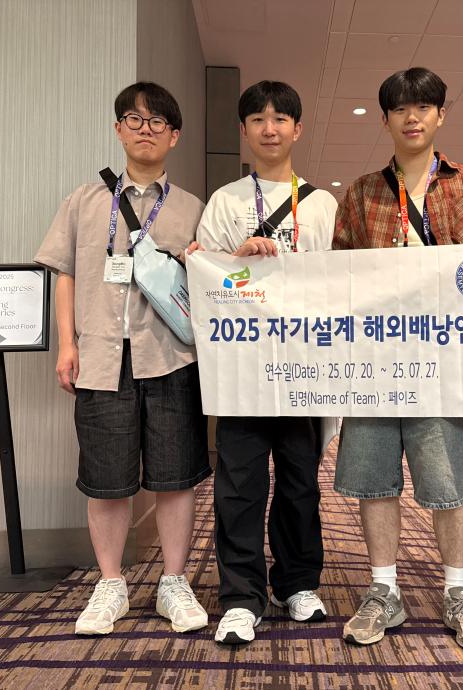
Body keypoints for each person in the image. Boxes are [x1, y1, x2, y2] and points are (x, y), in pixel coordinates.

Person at [332, 67, 463, 651]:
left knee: (449, 480)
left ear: (440, 115)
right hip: (375, 362)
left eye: (424, 107)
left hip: (443, 362)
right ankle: (384, 590)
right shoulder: (361, 193)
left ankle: (458, 591)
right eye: (400, 109)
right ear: (385, 119)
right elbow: (338, 275)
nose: (412, 117)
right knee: (375, 480)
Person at [34, 82, 210, 637]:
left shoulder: (191, 208)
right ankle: (110, 584)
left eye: (158, 122)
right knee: (106, 479)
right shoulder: (84, 201)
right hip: (101, 357)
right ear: (118, 129)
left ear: (174, 136)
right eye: (134, 119)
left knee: (175, 476)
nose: (145, 129)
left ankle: (174, 582)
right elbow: (65, 274)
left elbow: (211, 284)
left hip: (172, 358)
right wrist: (67, 344)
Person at [196, 80, 337, 645]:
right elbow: (208, 282)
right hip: (243, 368)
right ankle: (240, 595)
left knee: (301, 483)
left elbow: (337, 284)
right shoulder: (225, 201)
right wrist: (239, 259)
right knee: (239, 486)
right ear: (244, 130)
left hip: (303, 366)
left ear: (298, 129)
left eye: (281, 119)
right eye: (258, 119)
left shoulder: (322, 204)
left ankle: (297, 583)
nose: (270, 128)